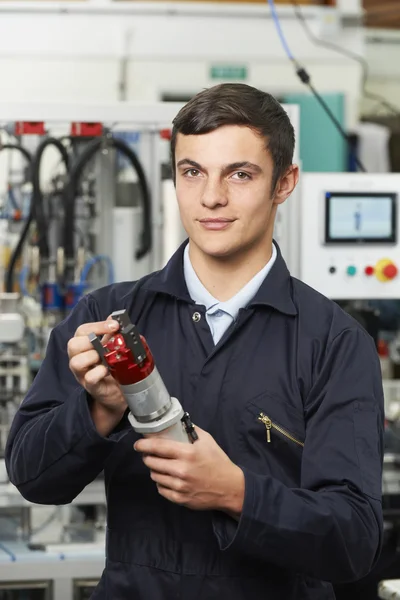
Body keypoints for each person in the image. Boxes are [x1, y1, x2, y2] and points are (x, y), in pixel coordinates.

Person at [5, 83, 384, 600]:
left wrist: (238, 495)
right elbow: (32, 477)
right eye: (192, 172)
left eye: (240, 174)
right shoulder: (106, 319)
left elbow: (355, 541)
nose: (211, 197)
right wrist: (98, 410)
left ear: (284, 182)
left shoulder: (334, 343)